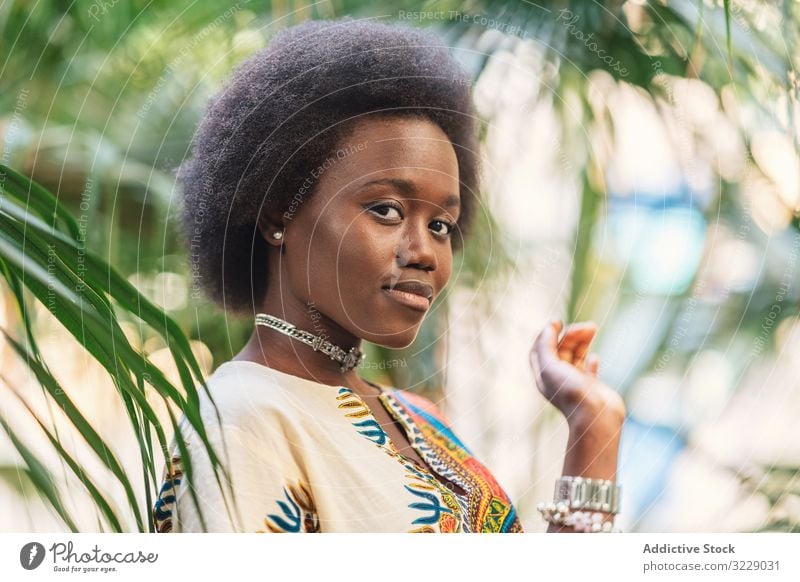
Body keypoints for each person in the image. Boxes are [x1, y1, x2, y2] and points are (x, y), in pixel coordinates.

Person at [152, 17, 625, 533]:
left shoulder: (418, 417)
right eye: (385, 210)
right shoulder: (243, 422)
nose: (425, 252)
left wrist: (593, 426)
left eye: (441, 224)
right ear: (278, 212)